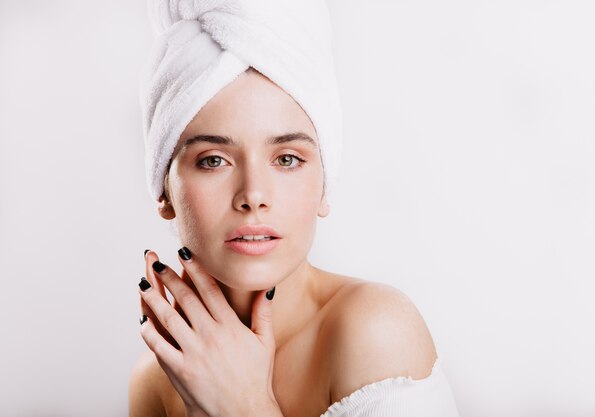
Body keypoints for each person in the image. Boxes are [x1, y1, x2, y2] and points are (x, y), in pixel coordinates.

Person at [128, 2, 460, 417]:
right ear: (164, 190)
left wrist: (247, 407)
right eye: (213, 160)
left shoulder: (374, 330)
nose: (253, 195)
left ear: (324, 185)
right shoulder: (159, 379)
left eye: (286, 159)